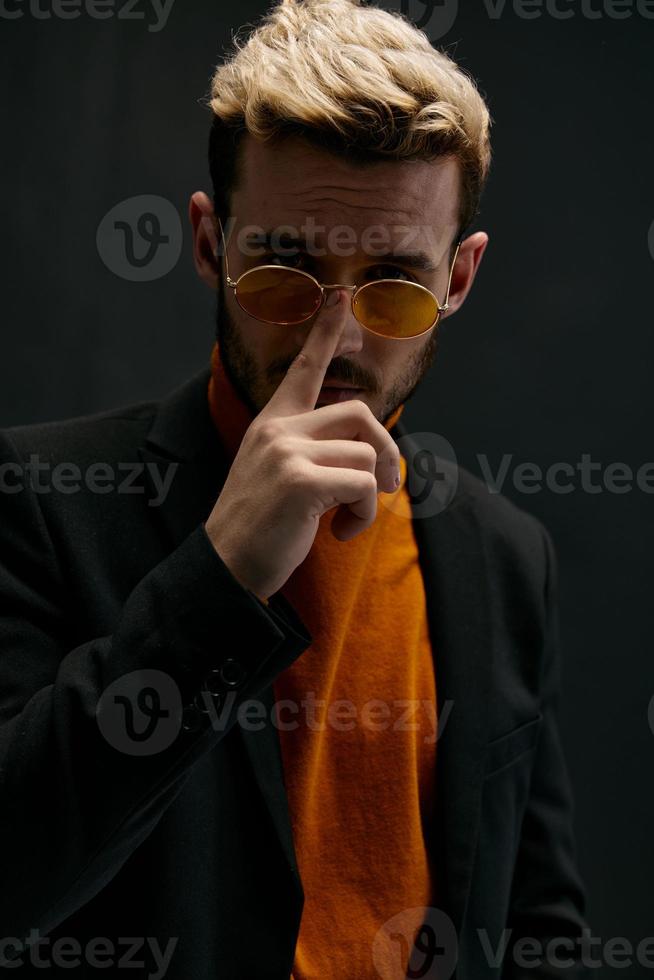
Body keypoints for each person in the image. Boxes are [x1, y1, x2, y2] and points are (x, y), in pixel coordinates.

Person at [0, 0, 589, 976]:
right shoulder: (40, 501)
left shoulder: (502, 553)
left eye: (394, 280)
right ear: (207, 242)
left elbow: (540, 923)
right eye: (284, 269)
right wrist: (219, 577)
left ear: (461, 278)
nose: (339, 338)